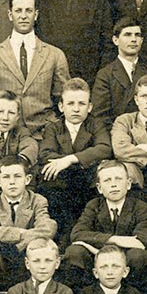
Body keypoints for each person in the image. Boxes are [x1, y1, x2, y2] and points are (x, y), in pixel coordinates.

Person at [37, 78, 112, 241]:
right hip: (63, 183)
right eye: (70, 104)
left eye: (82, 104)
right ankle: (61, 239)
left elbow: (104, 148)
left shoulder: (96, 125)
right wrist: (78, 162)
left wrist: (71, 159)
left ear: (90, 106)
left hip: (87, 182)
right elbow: (45, 154)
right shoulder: (53, 128)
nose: (76, 109)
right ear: (61, 106)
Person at [0, 0, 70, 131]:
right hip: (7, 133)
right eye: (18, 11)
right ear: (10, 15)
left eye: (28, 11)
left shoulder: (54, 55)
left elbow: (65, 100)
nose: (23, 16)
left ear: (36, 15)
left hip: (44, 133)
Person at [63, 160, 147, 287]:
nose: (114, 185)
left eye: (118, 179)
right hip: (98, 259)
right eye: (107, 180)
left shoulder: (140, 207)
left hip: (125, 259)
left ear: (128, 184)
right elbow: (77, 234)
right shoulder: (94, 205)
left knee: (138, 255)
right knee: (74, 252)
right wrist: (114, 239)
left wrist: (94, 247)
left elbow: (141, 242)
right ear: (99, 188)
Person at [0, 156, 56, 276]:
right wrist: (20, 234)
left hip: (25, 255)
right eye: (6, 177)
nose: (12, 182)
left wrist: (20, 244)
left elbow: (47, 227)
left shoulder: (37, 200)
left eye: (17, 176)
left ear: (27, 179)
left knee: (40, 242)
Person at [90, 17, 147, 125]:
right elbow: (99, 117)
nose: (134, 39)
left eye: (137, 35)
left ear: (142, 41)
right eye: (127, 35)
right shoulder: (105, 75)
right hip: (115, 134)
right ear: (115, 40)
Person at [0, 92, 39, 190]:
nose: (5, 118)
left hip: (10, 183)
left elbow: (31, 146)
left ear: (17, 116)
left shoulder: (21, 132)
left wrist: (17, 163)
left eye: (11, 113)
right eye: (0, 112)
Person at [3, 238, 74, 294]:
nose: (42, 266)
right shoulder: (16, 292)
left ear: (57, 263)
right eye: (36, 261)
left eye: (48, 260)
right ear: (27, 263)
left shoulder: (64, 293)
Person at [76, 245, 146, 294]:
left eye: (115, 266)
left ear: (125, 272)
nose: (110, 272)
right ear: (96, 273)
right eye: (104, 267)